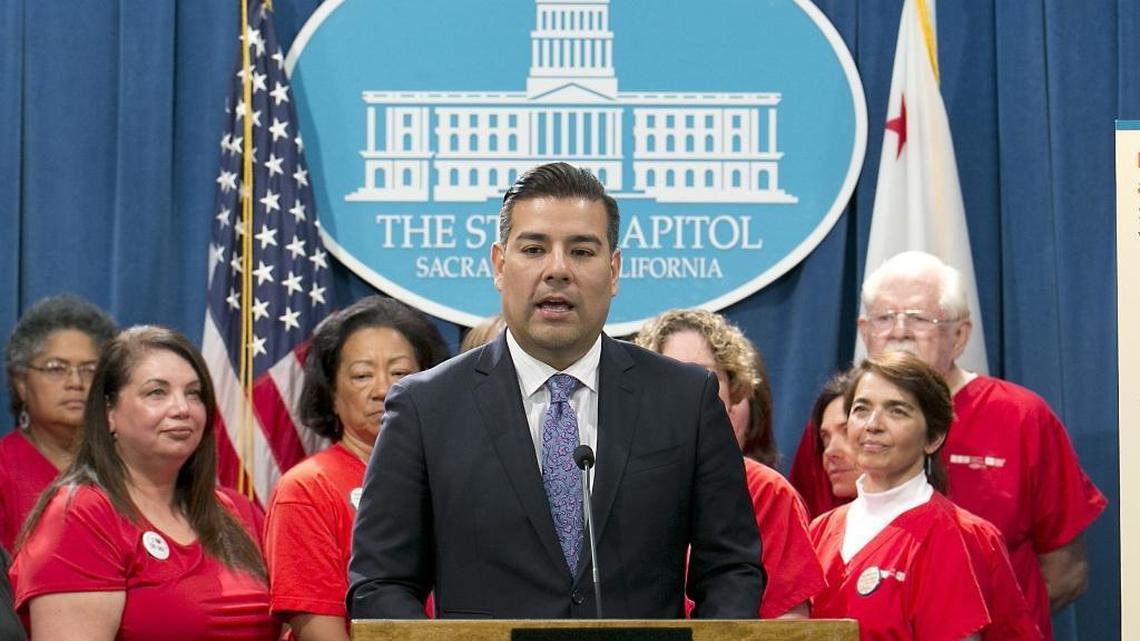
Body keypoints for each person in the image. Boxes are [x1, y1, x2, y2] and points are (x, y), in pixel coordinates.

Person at [347, 162, 763, 619]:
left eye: (582, 251)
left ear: (614, 270)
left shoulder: (685, 399)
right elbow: (381, 583)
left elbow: (732, 569)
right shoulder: (425, 408)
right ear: (500, 266)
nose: (558, 270)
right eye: (534, 248)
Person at [792, 251, 1106, 639]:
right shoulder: (824, 526)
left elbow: (1066, 570)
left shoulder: (1019, 424)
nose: (899, 331)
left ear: (959, 335)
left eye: (919, 318)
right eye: (885, 317)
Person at [9, 326, 278, 640]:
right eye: (156, 392)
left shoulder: (235, 509)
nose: (182, 409)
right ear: (109, 412)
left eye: (194, 393)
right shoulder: (81, 514)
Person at [264, 296, 448, 641]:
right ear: (331, 393)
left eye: (402, 373)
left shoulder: (451, 474)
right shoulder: (307, 489)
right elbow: (321, 633)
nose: (384, 390)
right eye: (362, 375)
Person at [812, 370, 1041, 640]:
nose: (872, 424)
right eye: (861, 409)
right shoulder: (818, 532)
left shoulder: (964, 536)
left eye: (896, 411)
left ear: (934, 438)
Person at [635, 308, 824, 618]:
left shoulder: (766, 491)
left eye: (702, 375)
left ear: (735, 390)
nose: (686, 387)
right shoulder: (619, 479)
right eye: (671, 372)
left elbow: (789, 623)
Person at [1, 294, 116, 550]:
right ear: (21, 383)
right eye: (56, 368)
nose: (75, 382)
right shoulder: (4, 470)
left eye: (89, 369)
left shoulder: (128, 464)